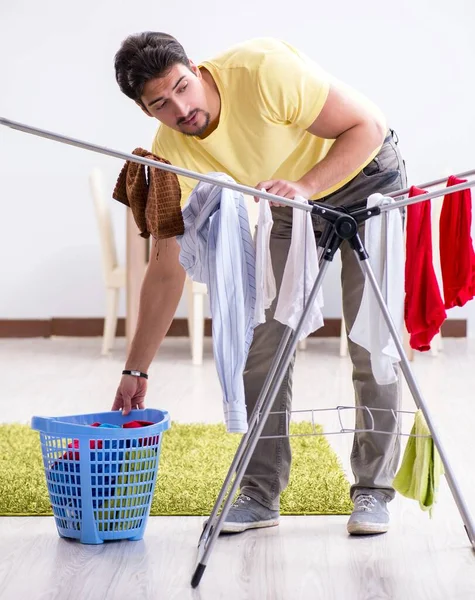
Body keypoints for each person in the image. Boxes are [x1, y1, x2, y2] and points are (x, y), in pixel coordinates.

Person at [113, 32, 407, 536]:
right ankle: (260, 491)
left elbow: (368, 126)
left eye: (183, 87)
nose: (181, 108)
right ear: (146, 110)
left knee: (369, 339)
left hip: (366, 182)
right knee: (262, 340)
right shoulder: (171, 150)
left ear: (195, 67)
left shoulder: (263, 71)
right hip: (290, 208)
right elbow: (165, 268)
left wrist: (307, 186)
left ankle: (373, 491)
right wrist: (136, 369)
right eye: (161, 103)